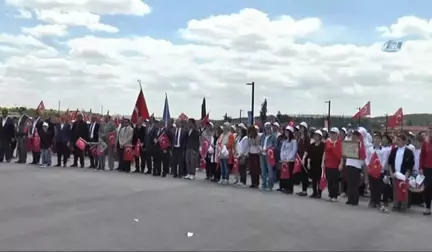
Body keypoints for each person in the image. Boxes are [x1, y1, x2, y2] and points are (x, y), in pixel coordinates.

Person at [388, 133, 414, 212]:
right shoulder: (394, 150)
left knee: (403, 190)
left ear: (404, 141)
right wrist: (391, 173)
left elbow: (410, 165)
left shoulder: (408, 152)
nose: (397, 142)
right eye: (397, 140)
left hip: (403, 174)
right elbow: (390, 163)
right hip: (395, 173)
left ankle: (403, 205)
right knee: (395, 190)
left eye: (399, 140)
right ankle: (396, 205)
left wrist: (406, 174)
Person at [344, 128, 367, 206]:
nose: (354, 136)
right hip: (349, 164)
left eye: (356, 135)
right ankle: (350, 199)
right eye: (354, 134)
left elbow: (363, 157)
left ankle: (355, 199)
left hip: (356, 166)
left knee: (354, 184)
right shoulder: (350, 143)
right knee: (350, 183)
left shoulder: (360, 144)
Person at [367, 133, 389, 209]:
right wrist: (369, 166)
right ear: (373, 140)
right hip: (371, 171)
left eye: (378, 139)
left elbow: (384, 160)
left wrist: (380, 168)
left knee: (378, 187)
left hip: (380, 171)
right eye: (375, 138)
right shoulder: (370, 149)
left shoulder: (384, 150)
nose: (376, 140)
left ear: (380, 140)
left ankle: (377, 202)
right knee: (372, 186)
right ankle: (372, 201)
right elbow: (367, 159)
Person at [322, 127, 343, 202]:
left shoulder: (339, 142)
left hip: (336, 164)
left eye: (334, 133)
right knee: (329, 180)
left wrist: (341, 163)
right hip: (328, 163)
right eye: (331, 133)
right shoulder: (327, 142)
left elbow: (342, 155)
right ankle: (331, 194)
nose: (332, 134)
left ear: (337, 134)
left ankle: (335, 195)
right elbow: (325, 152)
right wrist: (323, 162)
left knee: (335, 181)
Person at [307, 130, 325, 198]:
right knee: (314, 179)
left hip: (320, 164)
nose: (315, 137)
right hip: (313, 164)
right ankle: (314, 192)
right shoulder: (312, 145)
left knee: (319, 179)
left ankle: (319, 193)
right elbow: (309, 155)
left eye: (317, 135)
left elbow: (324, 154)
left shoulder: (323, 145)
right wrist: (308, 163)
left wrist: (323, 163)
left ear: (320, 137)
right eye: (315, 135)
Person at [279, 125, 297, 194]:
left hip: (290, 160)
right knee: (284, 174)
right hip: (284, 160)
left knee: (289, 174)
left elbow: (294, 150)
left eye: (287, 132)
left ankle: (290, 188)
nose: (286, 133)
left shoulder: (293, 141)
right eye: (285, 132)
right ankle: (285, 187)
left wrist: (288, 158)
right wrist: (282, 157)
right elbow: (282, 150)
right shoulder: (285, 141)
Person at [260, 122, 277, 191]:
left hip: (269, 155)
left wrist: (269, 149)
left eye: (269, 128)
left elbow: (275, 146)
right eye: (266, 128)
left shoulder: (273, 136)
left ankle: (270, 185)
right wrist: (260, 148)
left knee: (270, 171)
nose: (268, 129)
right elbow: (260, 143)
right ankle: (264, 184)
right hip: (262, 154)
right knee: (263, 170)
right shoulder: (262, 136)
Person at [420, 125, 432, 215]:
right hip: (427, 168)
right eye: (430, 129)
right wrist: (421, 167)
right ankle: (428, 207)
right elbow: (422, 156)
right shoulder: (426, 143)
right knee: (427, 188)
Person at [296, 122, 310, 196]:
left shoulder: (307, 137)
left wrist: (304, 158)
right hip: (299, 156)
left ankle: (305, 190)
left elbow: (307, 149)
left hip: (304, 156)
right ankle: (303, 189)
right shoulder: (299, 137)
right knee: (301, 174)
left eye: (302, 127)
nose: (300, 129)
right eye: (300, 127)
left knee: (305, 174)